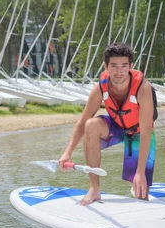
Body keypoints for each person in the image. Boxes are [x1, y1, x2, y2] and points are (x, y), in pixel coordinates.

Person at [58, 42, 157, 205]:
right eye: (114, 66)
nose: (119, 72)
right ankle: (94, 189)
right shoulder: (100, 88)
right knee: (91, 125)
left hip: (139, 133)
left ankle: (141, 185)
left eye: (124, 66)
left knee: (141, 194)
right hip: (116, 127)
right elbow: (82, 121)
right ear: (106, 67)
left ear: (131, 66)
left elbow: (147, 131)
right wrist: (67, 152)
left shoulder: (142, 88)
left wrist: (140, 172)